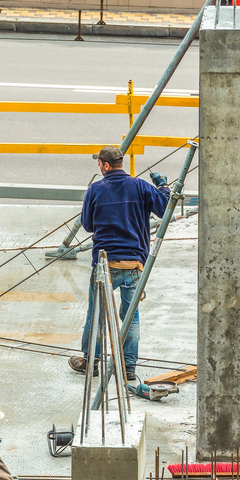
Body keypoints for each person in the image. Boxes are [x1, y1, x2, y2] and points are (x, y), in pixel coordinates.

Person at [68, 146, 170, 383]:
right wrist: (163, 187)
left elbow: (88, 225)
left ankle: (91, 362)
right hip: (134, 264)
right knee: (131, 316)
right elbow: (164, 208)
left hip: (105, 262)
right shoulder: (141, 186)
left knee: (96, 314)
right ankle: (129, 368)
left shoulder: (95, 190)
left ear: (105, 165)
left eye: (99, 164)